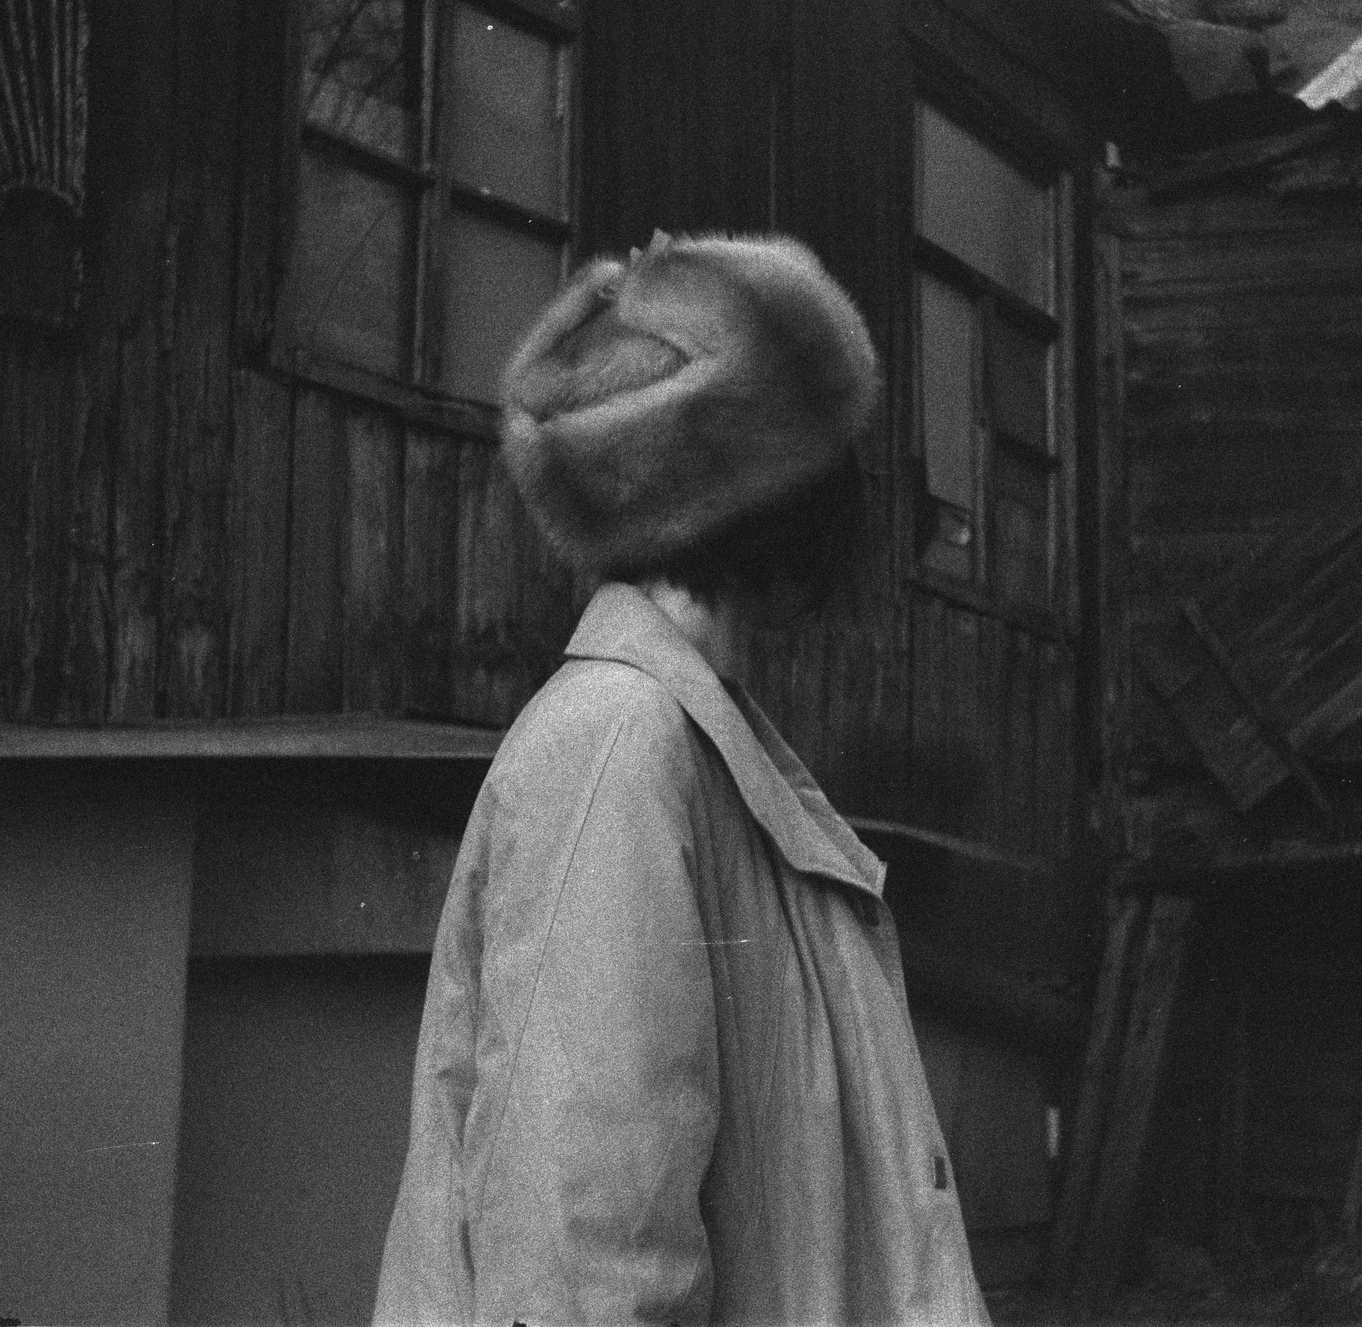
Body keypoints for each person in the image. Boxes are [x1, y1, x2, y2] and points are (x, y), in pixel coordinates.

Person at [373, 232, 991, 1326]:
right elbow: (587, 1260)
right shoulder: (619, 744)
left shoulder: (692, 740)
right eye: (830, 457)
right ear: (771, 488)